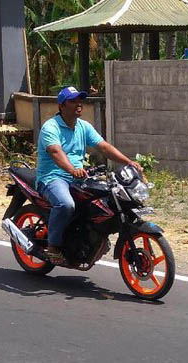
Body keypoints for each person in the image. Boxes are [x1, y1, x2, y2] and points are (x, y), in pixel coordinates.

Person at [36, 86, 142, 265]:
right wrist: (71, 169)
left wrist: (128, 162)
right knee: (66, 204)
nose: (78, 104)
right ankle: (53, 247)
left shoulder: (83, 126)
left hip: (78, 178)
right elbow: (55, 151)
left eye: (80, 100)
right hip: (53, 177)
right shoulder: (50, 127)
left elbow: (104, 147)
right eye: (73, 101)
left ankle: (91, 237)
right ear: (61, 105)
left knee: (106, 200)